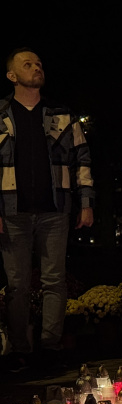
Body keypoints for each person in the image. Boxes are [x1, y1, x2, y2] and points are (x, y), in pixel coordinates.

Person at [0, 48, 94, 372]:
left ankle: (51, 347)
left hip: (55, 211)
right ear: (12, 76)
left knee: (55, 281)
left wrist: (86, 203)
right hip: (13, 212)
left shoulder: (61, 114)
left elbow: (81, 158)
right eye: (27, 64)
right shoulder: (0, 114)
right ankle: (19, 351)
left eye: (39, 63)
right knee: (17, 285)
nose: (36, 67)